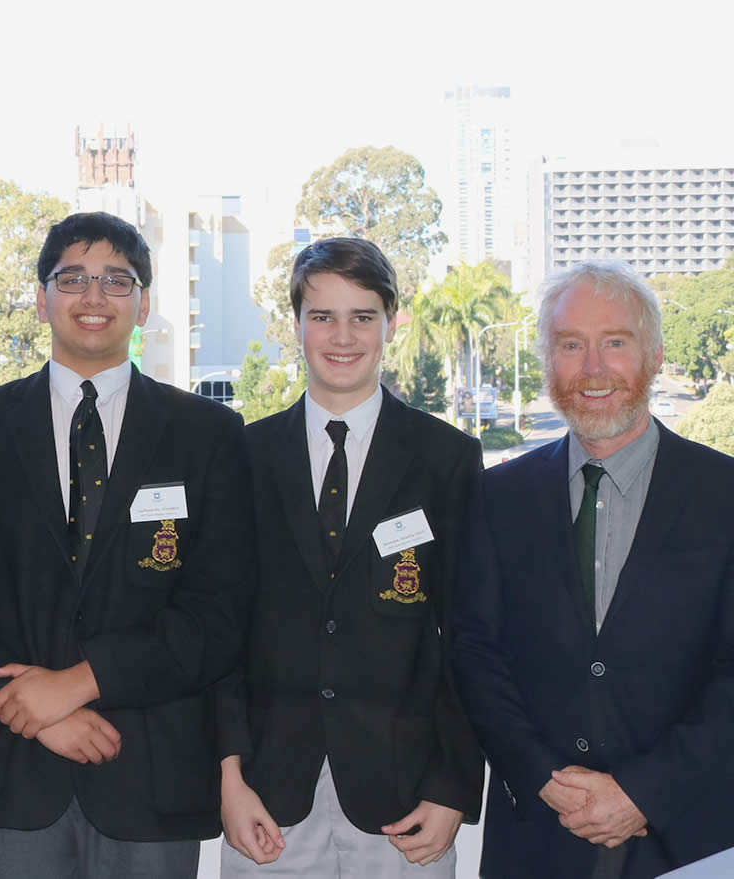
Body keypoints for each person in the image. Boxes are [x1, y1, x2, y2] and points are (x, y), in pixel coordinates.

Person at [0, 210, 253, 877]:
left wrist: (82, 683)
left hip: (152, 776)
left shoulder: (209, 435)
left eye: (117, 280)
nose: (93, 297)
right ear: (40, 296)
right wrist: (35, 712)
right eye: (72, 277)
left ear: (144, 303)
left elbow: (217, 615)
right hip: (5, 772)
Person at [453, 261, 734, 878]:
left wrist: (644, 793)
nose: (593, 369)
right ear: (548, 362)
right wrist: (542, 777)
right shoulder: (497, 498)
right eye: (571, 345)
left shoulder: (725, 496)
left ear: (655, 354)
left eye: (615, 342)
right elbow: (476, 653)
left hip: (688, 840)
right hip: (535, 835)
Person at [215, 237, 482, 877]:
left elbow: (472, 636)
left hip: (405, 797)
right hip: (266, 794)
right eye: (322, 316)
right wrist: (227, 776)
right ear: (297, 324)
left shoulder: (447, 459)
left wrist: (452, 785)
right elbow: (218, 628)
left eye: (362, 316)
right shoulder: (241, 457)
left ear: (393, 322)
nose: (343, 335)